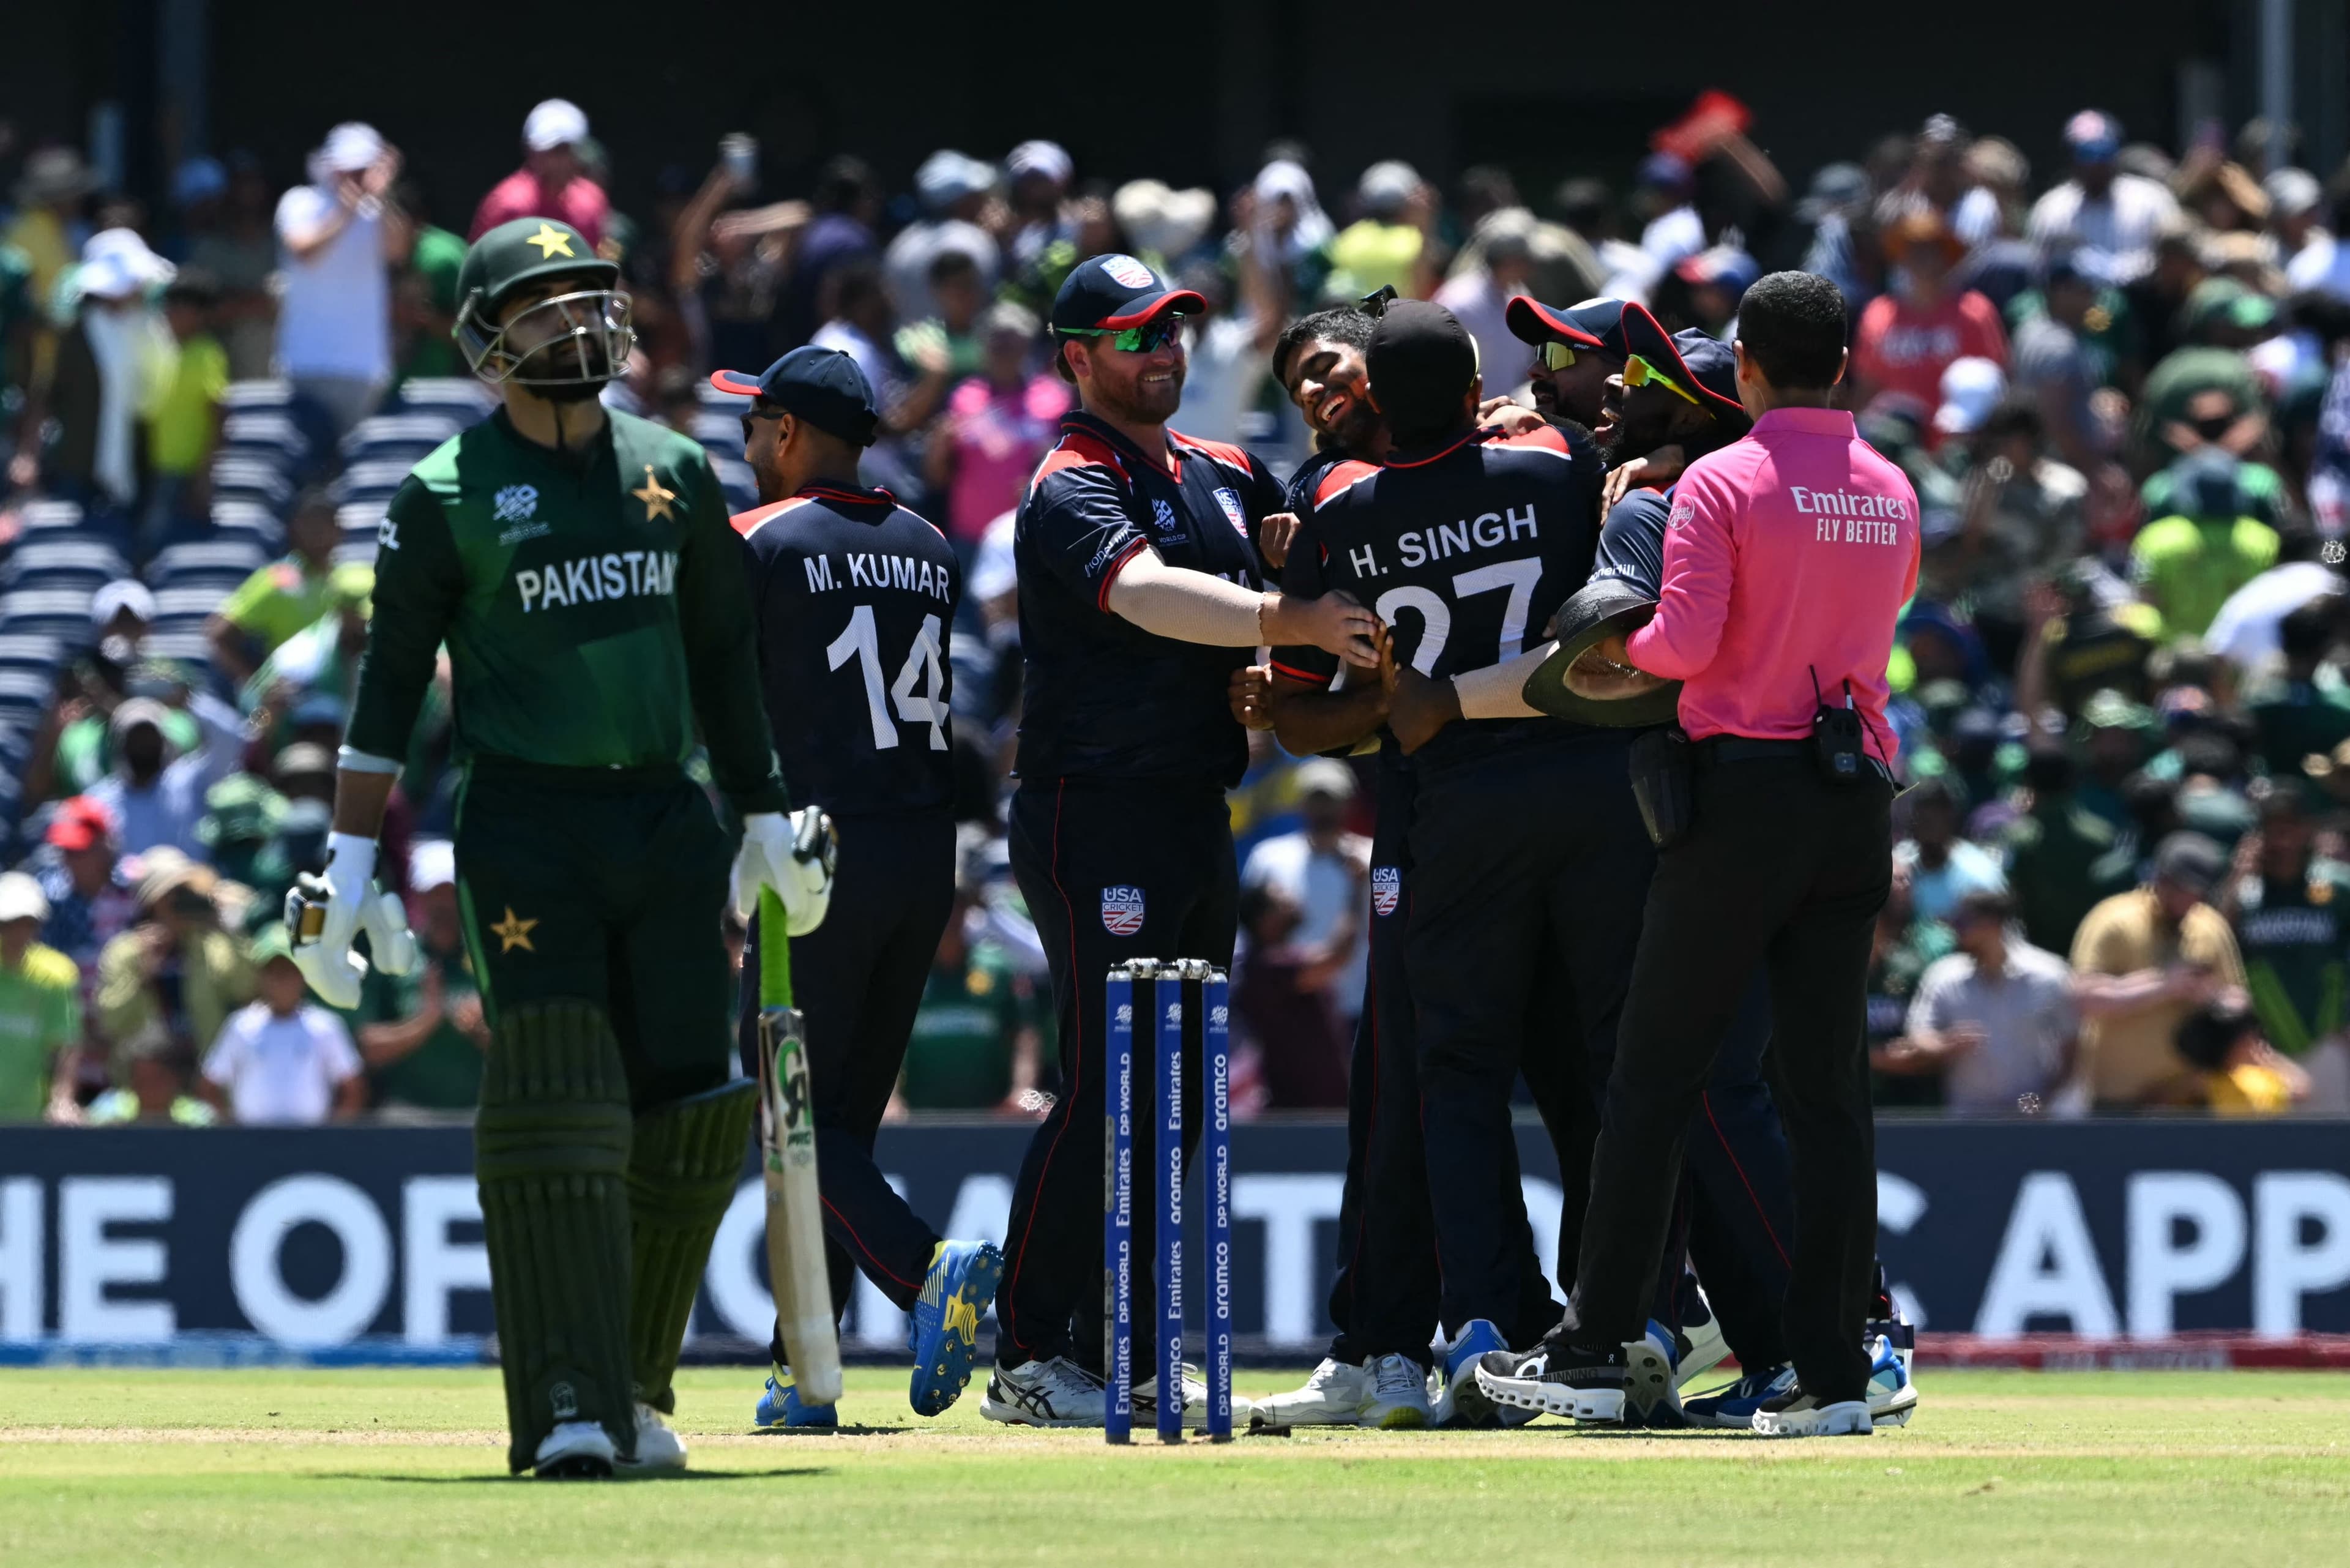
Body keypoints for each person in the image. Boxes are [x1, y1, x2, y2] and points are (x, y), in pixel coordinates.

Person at [307, 216, 834, 1479]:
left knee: (694, 1109)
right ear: (486, 339)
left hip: (665, 817)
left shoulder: (674, 469)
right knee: (553, 1090)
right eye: (542, 307)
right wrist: (353, 863)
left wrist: (763, 812)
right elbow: (387, 694)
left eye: (589, 298)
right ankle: (559, 1404)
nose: (576, 325)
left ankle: (637, 1389)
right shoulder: (444, 493)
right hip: (523, 824)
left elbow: (722, 660)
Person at [1498, 272, 1918, 1438]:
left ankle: (1593, 1347)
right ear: (1839, 364)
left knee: (1650, 1081)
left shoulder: (1719, 482)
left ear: (1742, 366)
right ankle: (1836, 1372)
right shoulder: (1891, 485)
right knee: (1828, 1096)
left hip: (1739, 799)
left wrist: (1599, 640)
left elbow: (1679, 645)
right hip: (1853, 800)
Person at [984, 254, 1376, 1429]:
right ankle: (1029, 1350)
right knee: (1113, 1081)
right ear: (1077, 357)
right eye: (1137, 333)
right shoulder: (1068, 481)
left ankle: (1134, 1345)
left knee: (1184, 1093)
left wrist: (1284, 660)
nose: (1166, 350)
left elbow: (1311, 539)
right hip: (1088, 807)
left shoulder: (1220, 466)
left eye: (1176, 330)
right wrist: (1280, 618)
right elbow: (1147, 591)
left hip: (1190, 809)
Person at [1271, 301, 1617, 1419]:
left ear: (1377, 390)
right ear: (1476, 392)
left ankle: (1489, 1325)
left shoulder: (1333, 512)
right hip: (1576, 785)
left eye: (1333, 373)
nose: (1320, 397)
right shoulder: (1556, 461)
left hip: (1455, 807)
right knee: (1595, 1070)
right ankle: (1610, 1321)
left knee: (1464, 1074)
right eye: (1299, 387)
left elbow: (1302, 710)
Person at [711, 343, 1001, 1428]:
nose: (746, 448)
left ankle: (929, 1272)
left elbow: (717, 695)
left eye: (754, 427)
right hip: (923, 856)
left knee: (788, 1117)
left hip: (813, 858)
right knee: (837, 1127)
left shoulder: (756, 538)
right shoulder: (928, 544)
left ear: (786, 432)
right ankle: (807, 1370)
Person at [2070, 832, 2248, 1108]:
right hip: (2118, 1101)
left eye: (2196, 891)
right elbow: (2085, 998)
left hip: (2192, 1098)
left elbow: (2239, 1002)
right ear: (2161, 879)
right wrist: (2164, 985)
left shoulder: (2210, 926)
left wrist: (2211, 998)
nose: (2188, 899)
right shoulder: (2114, 919)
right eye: (2180, 887)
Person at [1883, 890, 2077, 1116]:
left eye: (1964, 922)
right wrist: (1945, 1044)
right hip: (1968, 1120)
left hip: (2036, 1121)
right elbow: (1919, 1035)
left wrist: (2037, 1103)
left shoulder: (2050, 976)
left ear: (1994, 924)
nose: (1956, 931)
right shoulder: (1944, 976)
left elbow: (2072, 1048)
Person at [275, 122, 411, 440]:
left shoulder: (377, 213)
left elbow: (399, 251)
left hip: (363, 368)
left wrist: (385, 196)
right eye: (346, 170)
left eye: (361, 170)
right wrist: (345, 212)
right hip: (306, 362)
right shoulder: (300, 202)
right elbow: (303, 250)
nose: (352, 178)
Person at [355, 840, 486, 1116]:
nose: (444, 904)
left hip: (476, 1113)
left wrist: (483, 1033)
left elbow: (521, 1056)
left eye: (451, 893)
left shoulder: (487, 959)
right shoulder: (393, 957)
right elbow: (368, 1048)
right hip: (406, 1115)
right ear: (418, 896)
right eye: (435, 893)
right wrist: (425, 1022)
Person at [94, 853, 253, 1080]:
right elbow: (112, 1022)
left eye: (184, 893)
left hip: (205, 1083)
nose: (179, 902)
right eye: (171, 895)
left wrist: (227, 927)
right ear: (152, 904)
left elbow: (244, 989)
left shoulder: (211, 946)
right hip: (147, 1087)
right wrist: (143, 973)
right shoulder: (126, 952)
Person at [1239, 758, 1369, 1033]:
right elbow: (1248, 933)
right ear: (1300, 802)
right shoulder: (1269, 858)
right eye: (1315, 799)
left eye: (1330, 799)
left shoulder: (1372, 857)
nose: (1322, 809)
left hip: (1356, 1008)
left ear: (1348, 802)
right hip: (1288, 1010)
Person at [200, 923, 365, 1124]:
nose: (281, 980)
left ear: (304, 976)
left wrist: (327, 1140)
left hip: (310, 1147)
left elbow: (353, 1088)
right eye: (273, 972)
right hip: (253, 1145)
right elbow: (210, 1085)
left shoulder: (326, 1027)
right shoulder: (240, 1026)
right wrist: (235, 1134)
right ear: (260, 976)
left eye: (289, 971)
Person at [206, 488, 375, 683]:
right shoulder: (278, 579)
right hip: (296, 692)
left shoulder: (358, 578)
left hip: (348, 685)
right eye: (309, 524)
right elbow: (220, 634)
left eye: (326, 524)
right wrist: (259, 686)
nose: (318, 533)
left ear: (340, 530)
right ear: (293, 528)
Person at [1849, 211, 2007, 415]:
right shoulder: (1878, 314)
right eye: (1913, 250)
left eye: (1930, 250)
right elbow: (1867, 386)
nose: (1922, 259)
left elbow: (1994, 380)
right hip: (1895, 439)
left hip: (1960, 436)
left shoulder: (1975, 312)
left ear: (1946, 256)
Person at [2027, 111, 2183, 283]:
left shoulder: (2151, 198)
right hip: (2077, 302)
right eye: (2086, 155)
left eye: (2103, 154)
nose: (2095, 165)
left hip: (2140, 299)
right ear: (2071, 160)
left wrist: (2123, 270)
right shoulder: (2051, 208)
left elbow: (2175, 256)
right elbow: (2038, 269)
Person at [468, 100, 610, 252]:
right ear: (530, 151)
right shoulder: (508, 204)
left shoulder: (592, 201)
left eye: (564, 150)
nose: (558, 161)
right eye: (548, 150)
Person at [0, 873, 81, 1122]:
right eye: (7, 924)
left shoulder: (58, 974)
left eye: (25, 923)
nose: (15, 932)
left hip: (30, 1116)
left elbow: (66, 1044)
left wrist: (62, 1100)